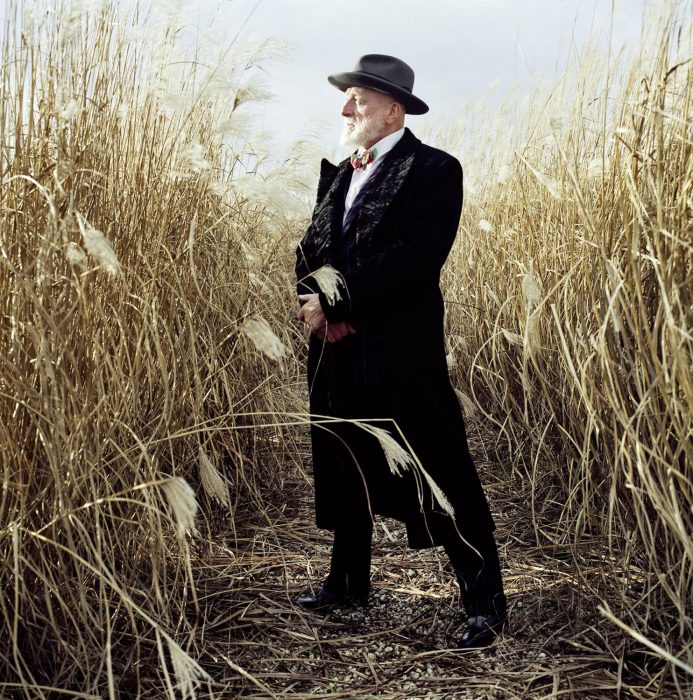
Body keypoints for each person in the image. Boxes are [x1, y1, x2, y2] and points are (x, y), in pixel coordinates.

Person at [295, 54, 507, 648]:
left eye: (357, 99)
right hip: (334, 351)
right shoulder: (339, 172)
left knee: (442, 468)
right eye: (347, 99)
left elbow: (417, 258)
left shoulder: (435, 170)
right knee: (344, 462)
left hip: (400, 352)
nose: (345, 109)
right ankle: (347, 584)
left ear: (392, 110)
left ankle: (485, 600)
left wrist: (338, 305)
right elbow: (309, 250)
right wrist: (316, 307)